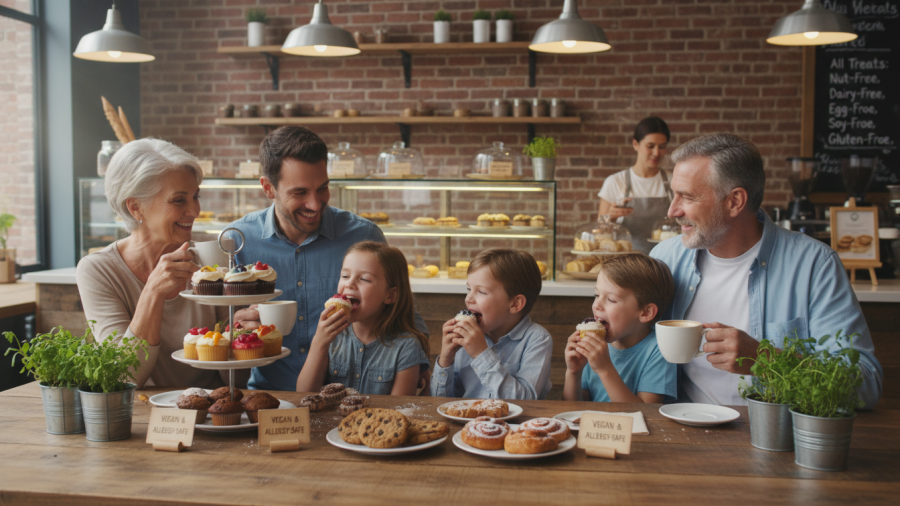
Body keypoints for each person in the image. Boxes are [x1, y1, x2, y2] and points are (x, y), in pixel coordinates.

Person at [650, 133, 883, 408]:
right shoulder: (665, 258)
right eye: (673, 195)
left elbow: (865, 385)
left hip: (775, 439)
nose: (672, 210)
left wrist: (765, 359)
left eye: (687, 197)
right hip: (679, 431)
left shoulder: (814, 265)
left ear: (735, 201)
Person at [227, 126, 427, 391]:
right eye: (299, 193)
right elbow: (220, 330)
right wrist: (236, 328)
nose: (314, 204)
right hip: (267, 396)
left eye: (322, 188)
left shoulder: (363, 235)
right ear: (268, 188)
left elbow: (405, 317)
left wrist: (416, 369)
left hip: (339, 404)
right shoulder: (239, 241)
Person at [76, 139, 230, 388]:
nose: (194, 210)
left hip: (214, 413)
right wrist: (153, 291)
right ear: (136, 207)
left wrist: (247, 334)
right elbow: (125, 376)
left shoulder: (210, 262)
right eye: (179, 200)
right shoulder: (98, 270)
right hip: (142, 417)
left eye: (195, 196)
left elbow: (239, 375)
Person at [295, 242, 430, 395]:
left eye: (364, 279)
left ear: (390, 295)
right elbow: (304, 394)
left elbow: (398, 411)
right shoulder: (332, 336)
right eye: (345, 276)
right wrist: (319, 342)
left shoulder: (406, 346)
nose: (349, 283)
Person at [430, 248, 553, 400]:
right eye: (469, 289)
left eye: (481, 291)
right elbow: (439, 402)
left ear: (515, 304)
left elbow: (524, 402)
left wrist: (481, 353)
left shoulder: (537, 339)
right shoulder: (464, 337)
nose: (469, 298)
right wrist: (446, 359)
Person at [563, 253, 677, 403]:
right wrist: (573, 372)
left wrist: (604, 369)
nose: (597, 305)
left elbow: (648, 413)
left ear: (646, 312)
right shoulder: (594, 346)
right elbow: (573, 409)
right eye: (597, 295)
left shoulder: (660, 349)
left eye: (611, 299)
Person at [597, 117, 672, 252]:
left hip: (669, 258)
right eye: (650, 146)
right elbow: (600, 229)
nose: (656, 153)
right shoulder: (615, 182)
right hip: (628, 262)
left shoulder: (673, 180)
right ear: (635, 144)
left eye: (662, 147)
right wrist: (610, 217)